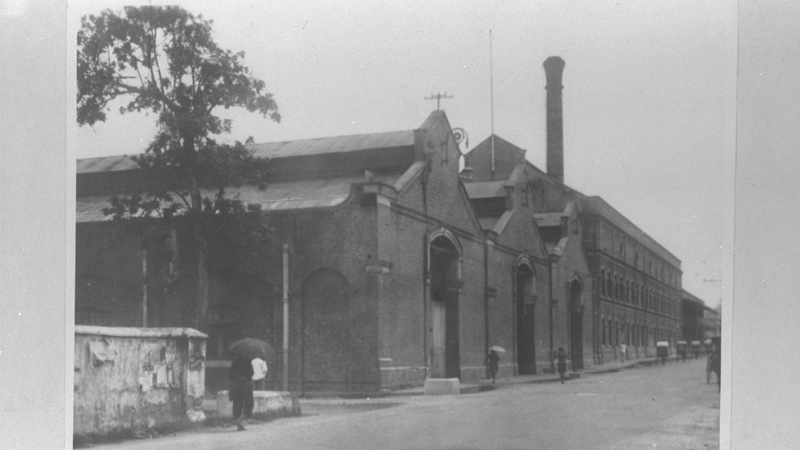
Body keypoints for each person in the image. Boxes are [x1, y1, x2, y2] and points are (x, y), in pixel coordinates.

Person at [229, 354, 254, 431]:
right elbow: (251, 373)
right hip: (245, 384)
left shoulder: (234, 362)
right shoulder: (248, 361)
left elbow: (229, 376)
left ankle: (238, 425)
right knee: (249, 403)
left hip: (235, 385)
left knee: (237, 403)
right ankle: (240, 419)